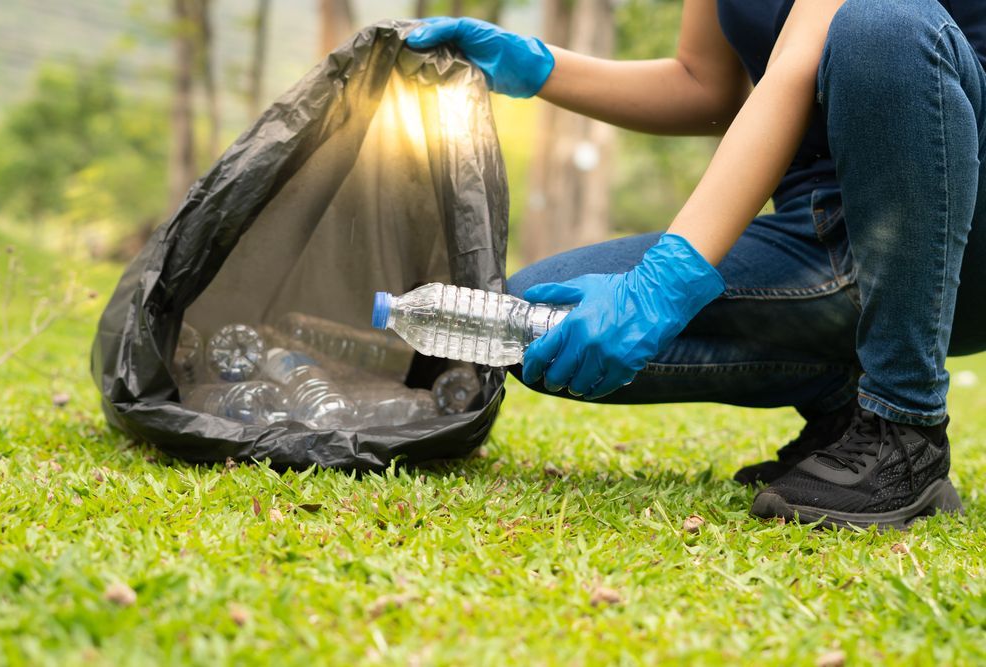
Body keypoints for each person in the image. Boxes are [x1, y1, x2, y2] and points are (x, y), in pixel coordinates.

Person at [406, 0, 986, 530]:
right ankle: (845, 402)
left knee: (881, 26)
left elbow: (797, 59)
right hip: (821, 231)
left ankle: (905, 424)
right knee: (543, 314)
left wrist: (664, 283)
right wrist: (535, 66)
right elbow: (703, 84)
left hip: (958, 226)